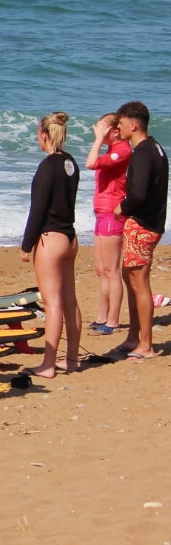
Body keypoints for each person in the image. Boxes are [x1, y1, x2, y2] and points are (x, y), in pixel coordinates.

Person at [20, 112, 81, 378]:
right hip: (70, 236)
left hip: (51, 238)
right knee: (70, 300)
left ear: (44, 134)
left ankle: (48, 364)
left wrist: (26, 244)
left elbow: (39, 209)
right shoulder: (70, 163)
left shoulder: (47, 166)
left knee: (52, 303)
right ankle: (72, 359)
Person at [112, 101, 168, 360]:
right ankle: (135, 336)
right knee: (130, 278)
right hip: (152, 222)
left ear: (133, 124)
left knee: (139, 282)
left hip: (143, 223)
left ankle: (145, 343)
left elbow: (138, 193)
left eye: (121, 123)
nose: (119, 127)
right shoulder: (155, 148)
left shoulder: (144, 153)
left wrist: (121, 207)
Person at [84, 113, 131, 334]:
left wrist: (97, 140)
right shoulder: (111, 151)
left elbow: (90, 163)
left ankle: (112, 320)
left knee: (112, 270)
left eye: (102, 129)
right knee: (101, 269)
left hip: (113, 212)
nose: (98, 132)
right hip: (101, 211)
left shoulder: (122, 150)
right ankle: (102, 316)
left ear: (113, 131)